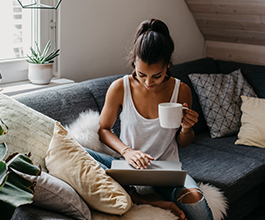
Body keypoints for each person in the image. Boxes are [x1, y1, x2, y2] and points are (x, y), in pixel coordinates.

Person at [85, 19, 213, 220]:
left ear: (168, 64)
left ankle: (146, 196)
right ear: (134, 62)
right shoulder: (120, 87)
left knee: (196, 201)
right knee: (80, 152)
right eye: (142, 74)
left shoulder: (181, 91)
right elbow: (104, 130)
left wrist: (186, 128)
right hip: (127, 168)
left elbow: (184, 142)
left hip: (166, 171)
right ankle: (141, 197)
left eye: (157, 75)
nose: (148, 82)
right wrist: (127, 152)